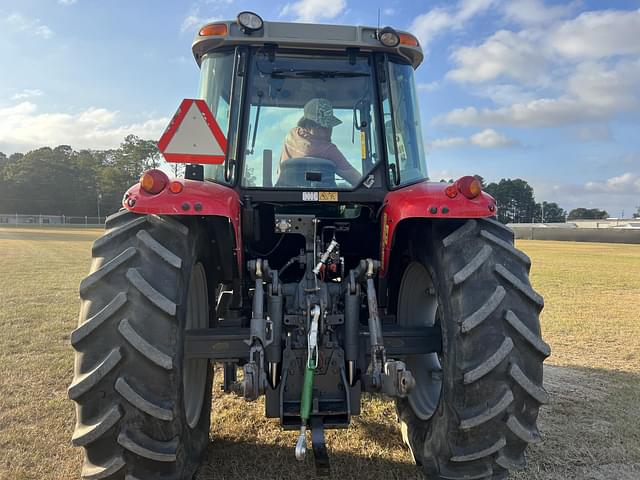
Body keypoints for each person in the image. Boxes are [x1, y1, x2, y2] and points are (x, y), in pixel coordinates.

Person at [279, 98, 361, 185]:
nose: (329, 130)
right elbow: (356, 178)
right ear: (309, 125)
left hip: (284, 193)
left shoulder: (291, 135)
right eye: (323, 126)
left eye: (330, 126)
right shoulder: (328, 150)